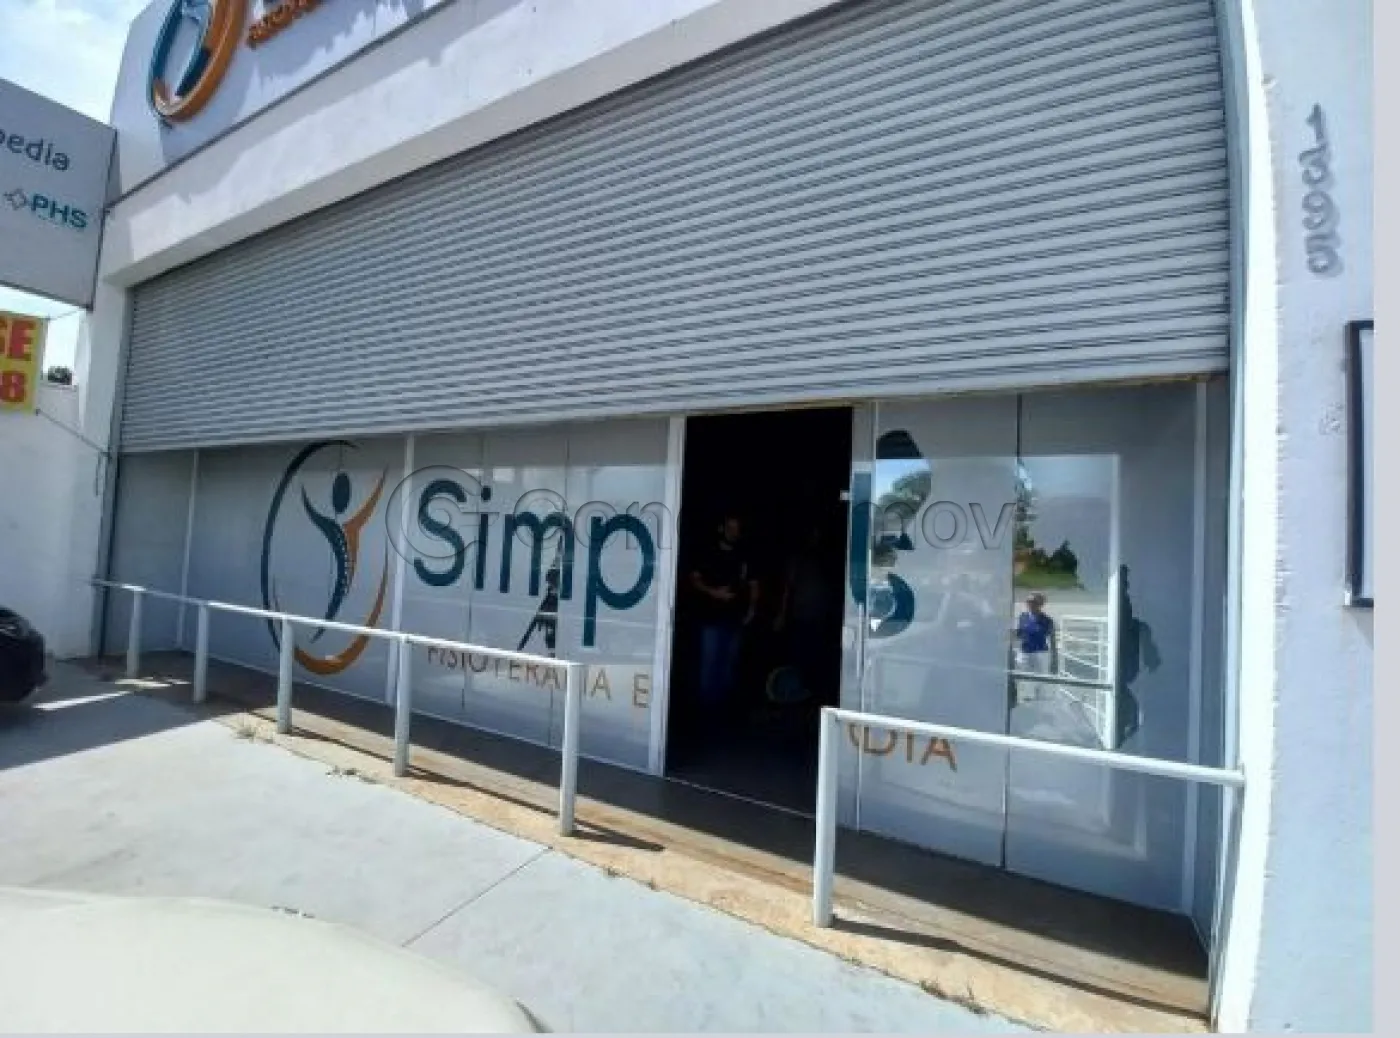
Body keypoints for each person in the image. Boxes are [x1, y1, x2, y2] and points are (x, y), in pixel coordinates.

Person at [690, 514, 759, 710]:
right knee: (709, 663)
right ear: (722, 529)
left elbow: (754, 584)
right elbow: (694, 579)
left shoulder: (744, 555)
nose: (733, 532)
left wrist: (752, 610)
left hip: (735, 619)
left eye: (737, 529)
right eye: (730, 528)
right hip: (711, 618)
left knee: (730, 663)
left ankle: (724, 709)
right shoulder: (708, 552)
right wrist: (714, 592)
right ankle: (705, 708)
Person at [1012, 592, 1058, 703]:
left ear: (1040, 604)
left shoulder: (1047, 620)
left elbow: (1053, 641)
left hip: (1040, 653)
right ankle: (1026, 701)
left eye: (1033, 602)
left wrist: (1054, 660)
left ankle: (1040, 702)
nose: (1030, 604)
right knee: (1024, 678)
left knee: (1041, 681)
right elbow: (1020, 633)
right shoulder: (1023, 617)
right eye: (1028, 601)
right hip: (1025, 652)